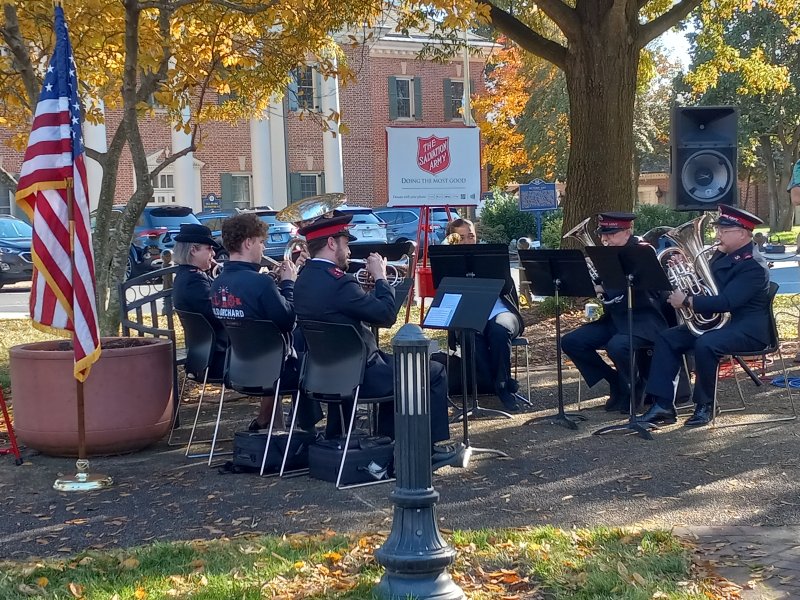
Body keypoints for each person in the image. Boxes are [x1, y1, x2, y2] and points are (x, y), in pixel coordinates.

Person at [292, 214, 457, 466]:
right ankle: (427, 452)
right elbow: (387, 316)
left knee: (395, 367)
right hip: (361, 376)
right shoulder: (340, 283)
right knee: (434, 371)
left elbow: (347, 310)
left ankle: (389, 443)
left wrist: (366, 293)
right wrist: (381, 278)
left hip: (325, 374)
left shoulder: (302, 280)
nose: (349, 252)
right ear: (332, 243)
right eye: (346, 244)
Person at [638, 205, 770, 427]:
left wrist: (688, 301)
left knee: (706, 343)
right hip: (719, 325)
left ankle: (705, 406)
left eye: (723, 230)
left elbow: (728, 302)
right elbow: (703, 286)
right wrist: (682, 271)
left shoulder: (753, 265)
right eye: (718, 229)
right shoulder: (719, 256)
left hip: (747, 329)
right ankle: (663, 406)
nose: (718, 235)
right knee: (666, 338)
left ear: (741, 232)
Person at [210, 213, 319, 432]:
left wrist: (276, 282)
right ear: (248, 242)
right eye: (261, 242)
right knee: (314, 362)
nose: (264, 249)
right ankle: (308, 433)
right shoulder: (260, 283)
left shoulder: (217, 283)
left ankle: (279, 427)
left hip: (239, 369)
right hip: (273, 372)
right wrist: (288, 283)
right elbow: (288, 321)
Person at [561, 212, 668, 413]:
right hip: (615, 319)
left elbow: (650, 288)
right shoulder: (605, 255)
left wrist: (603, 288)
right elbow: (601, 287)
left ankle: (636, 386)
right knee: (571, 341)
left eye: (610, 233)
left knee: (617, 346)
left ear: (627, 231)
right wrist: (586, 281)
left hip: (643, 319)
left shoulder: (643, 252)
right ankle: (615, 381)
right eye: (603, 234)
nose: (604, 239)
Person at [444, 218, 527, 411]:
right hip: (469, 314)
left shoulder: (490, 255)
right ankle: (498, 383)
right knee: (470, 336)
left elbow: (507, 286)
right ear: (452, 239)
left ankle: (502, 386)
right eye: (461, 238)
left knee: (498, 330)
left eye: (471, 236)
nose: (467, 241)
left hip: (500, 310)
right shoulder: (448, 261)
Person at [172, 224, 227, 379]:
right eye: (209, 248)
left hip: (206, 354)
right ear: (193, 250)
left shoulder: (186, 276)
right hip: (217, 357)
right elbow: (219, 314)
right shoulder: (194, 281)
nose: (214, 253)